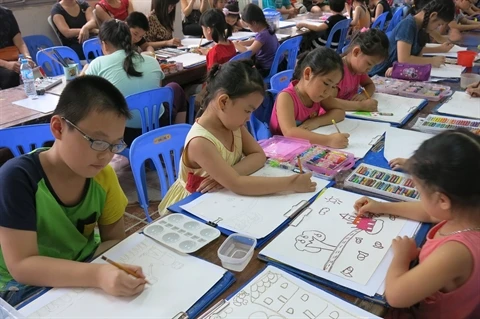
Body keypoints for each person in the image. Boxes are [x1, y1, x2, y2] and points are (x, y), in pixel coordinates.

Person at [0, 76, 147, 307]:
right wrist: (98, 275)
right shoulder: (18, 178)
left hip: (81, 266)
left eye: (115, 145)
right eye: (97, 141)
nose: (106, 155)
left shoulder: (103, 176)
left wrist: (111, 270)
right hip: (22, 285)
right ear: (58, 127)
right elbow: (22, 266)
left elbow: (115, 240)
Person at [157, 61, 317, 215]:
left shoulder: (233, 124)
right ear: (224, 101)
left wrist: (227, 176)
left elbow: (258, 155)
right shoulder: (200, 142)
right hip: (191, 207)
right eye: (247, 111)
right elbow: (238, 184)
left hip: (220, 199)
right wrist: (292, 183)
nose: (249, 118)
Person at [354, 129, 480, 319]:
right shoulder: (468, 209)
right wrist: (383, 207)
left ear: (443, 200)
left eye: (420, 192)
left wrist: (403, 257)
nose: (420, 199)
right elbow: (428, 212)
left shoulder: (455, 252)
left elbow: (396, 296)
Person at [83, 20, 187, 146]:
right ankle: (177, 143)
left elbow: (82, 94)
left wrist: (83, 72)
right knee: (176, 89)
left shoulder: (98, 64)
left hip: (123, 135)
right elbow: (154, 91)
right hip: (158, 126)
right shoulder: (152, 61)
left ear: (104, 45)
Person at [269, 47, 350, 149]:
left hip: (307, 147)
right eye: (326, 83)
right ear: (307, 74)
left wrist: (316, 122)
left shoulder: (319, 95)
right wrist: (328, 140)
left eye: (333, 86)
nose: (328, 91)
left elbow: (339, 112)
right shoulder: (286, 97)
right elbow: (290, 133)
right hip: (283, 150)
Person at [369, 0, 455, 77]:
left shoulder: (420, 27)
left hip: (397, 73)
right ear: (433, 16)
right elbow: (404, 59)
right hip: (380, 74)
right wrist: (432, 61)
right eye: (439, 24)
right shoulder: (408, 25)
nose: (437, 28)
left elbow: (417, 51)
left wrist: (439, 49)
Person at [322, 29, 389, 112]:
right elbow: (328, 102)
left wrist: (364, 95)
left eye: (373, 65)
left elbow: (370, 85)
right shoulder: (337, 72)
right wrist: (360, 106)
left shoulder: (358, 70)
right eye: (369, 63)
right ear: (356, 52)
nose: (369, 69)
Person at [233, 4, 280, 76]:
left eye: (248, 26)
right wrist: (243, 43)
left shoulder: (262, 35)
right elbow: (257, 41)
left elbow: (249, 52)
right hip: (277, 65)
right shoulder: (267, 28)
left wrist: (236, 44)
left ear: (254, 23)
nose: (249, 28)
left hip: (267, 69)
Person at [0, 6, 35, 90]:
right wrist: (6, 64)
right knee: (10, 75)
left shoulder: (6, 14)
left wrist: (27, 58)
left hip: (11, 57)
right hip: (3, 63)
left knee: (32, 71)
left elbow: (20, 43)